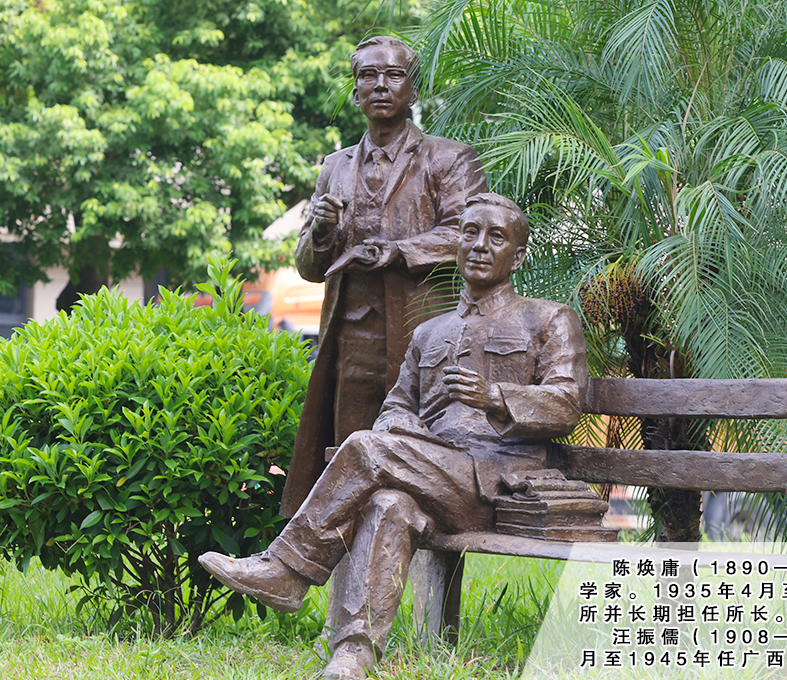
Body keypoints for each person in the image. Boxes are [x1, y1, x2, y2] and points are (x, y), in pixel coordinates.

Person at [202, 194, 585, 679]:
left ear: (519, 255)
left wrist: (494, 396)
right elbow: (396, 406)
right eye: (469, 233)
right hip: (428, 471)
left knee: (365, 447)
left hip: (496, 483)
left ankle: (288, 569)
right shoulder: (429, 332)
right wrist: (400, 426)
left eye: (496, 237)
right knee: (389, 505)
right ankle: (353, 655)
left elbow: (566, 404)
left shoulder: (548, 318)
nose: (479, 245)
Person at [282, 35, 490, 518]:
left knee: (426, 457)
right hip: (351, 341)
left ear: (413, 90)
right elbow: (309, 267)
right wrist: (321, 231)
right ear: (355, 91)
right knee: (348, 459)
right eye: (368, 76)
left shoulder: (449, 158)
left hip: (426, 335)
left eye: (394, 75)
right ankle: (347, 561)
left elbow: (468, 234)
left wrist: (400, 251)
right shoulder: (334, 167)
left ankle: (424, 560)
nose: (380, 85)